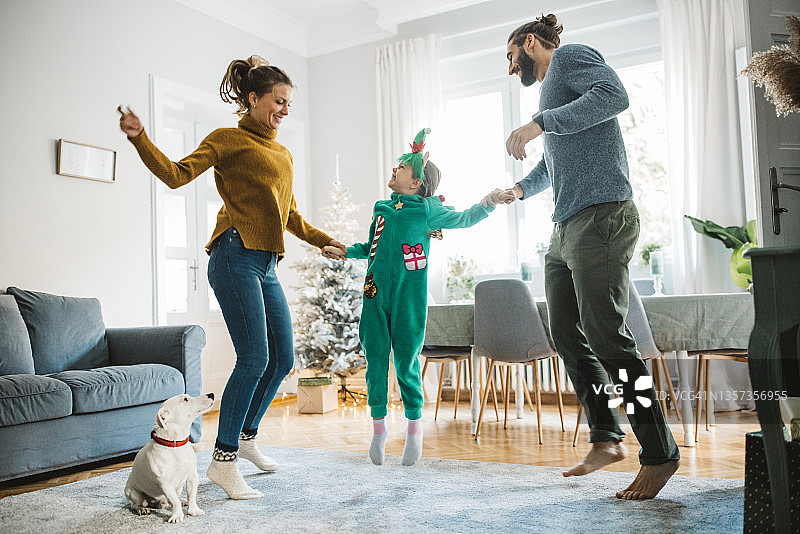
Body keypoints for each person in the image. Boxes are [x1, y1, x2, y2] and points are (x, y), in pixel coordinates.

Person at [118, 55, 346, 500]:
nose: (284, 109)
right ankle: (223, 463)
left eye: (288, 103)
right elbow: (176, 175)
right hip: (233, 256)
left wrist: (323, 240)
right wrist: (140, 138)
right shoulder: (227, 139)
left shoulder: (282, 152)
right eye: (278, 101)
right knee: (254, 357)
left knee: (282, 359)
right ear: (253, 98)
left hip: (266, 263)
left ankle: (246, 439)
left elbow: (290, 214)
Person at [502, 14, 680, 500]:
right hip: (566, 226)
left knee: (609, 338)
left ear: (531, 43)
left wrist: (539, 122)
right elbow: (555, 160)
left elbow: (614, 98)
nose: (509, 67)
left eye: (510, 55)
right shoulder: (550, 92)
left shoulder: (570, 58)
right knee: (564, 331)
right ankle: (606, 436)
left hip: (602, 215)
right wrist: (520, 188)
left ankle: (659, 453)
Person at [323, 128, 512, 466]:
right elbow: (372, 250)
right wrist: (345, 250)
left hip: (409, 299)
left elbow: (466, 218)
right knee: (376, 361)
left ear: (415, 183)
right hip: (374, 294)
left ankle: (413, 429)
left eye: (401, 167)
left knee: (406, 362)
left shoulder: (427, 211)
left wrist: (491, 201)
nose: (394, 170)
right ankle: (379, 429)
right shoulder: (382, 209)